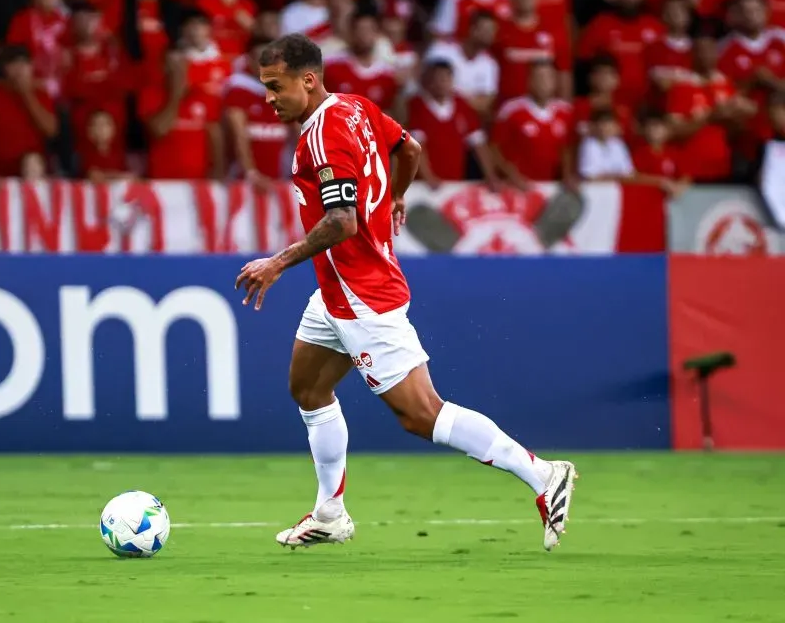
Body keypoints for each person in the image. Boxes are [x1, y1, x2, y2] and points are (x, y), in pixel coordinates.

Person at [236, 33, 577, 552]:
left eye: (275, 86)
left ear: (308, 80)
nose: (269, 98)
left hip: (361, 292)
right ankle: (330, 512)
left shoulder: (324, 138)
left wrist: (277, 262)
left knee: (422, 414)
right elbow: (410, 147)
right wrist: (396, 194)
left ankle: (543, 475)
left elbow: (342, 221)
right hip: (336, 291)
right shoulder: (355, 106)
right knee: (307, 388)